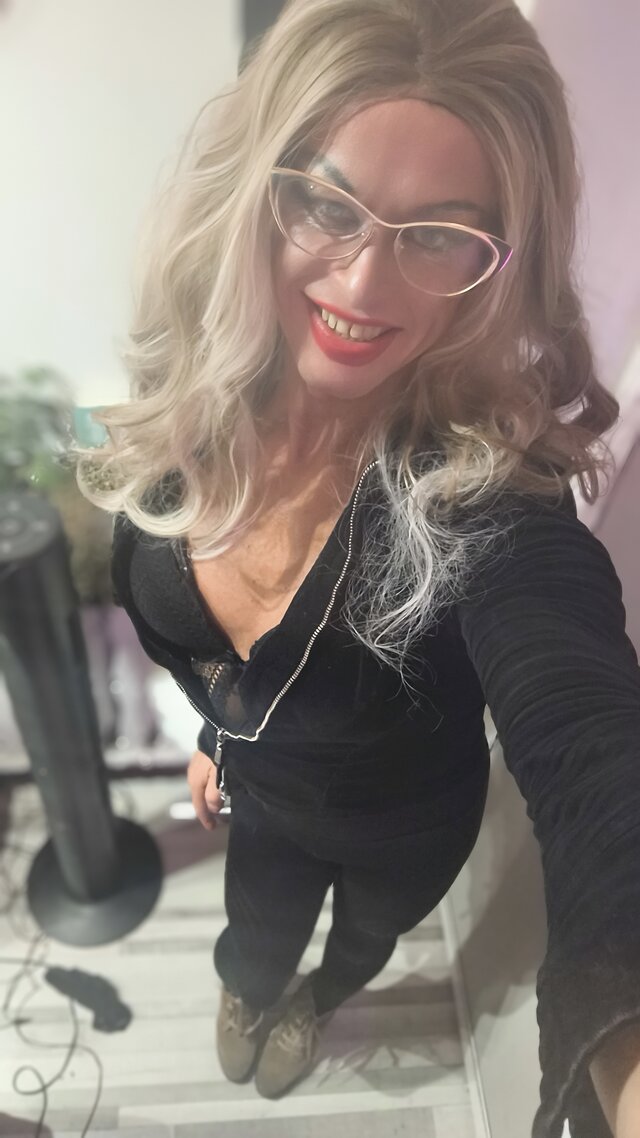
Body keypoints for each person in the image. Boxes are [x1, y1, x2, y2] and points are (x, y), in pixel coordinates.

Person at [74, 1, 640, 1134]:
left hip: (406, 829)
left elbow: (594, 746)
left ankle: (317, 1006)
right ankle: (253, 993)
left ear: (497, 263)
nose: (366, 285)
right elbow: (229, 659)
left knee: (361, 943)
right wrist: (216, 735)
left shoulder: (484, 508)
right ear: (255, 189)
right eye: (327, 205)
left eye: (437, 235)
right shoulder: (188, 421)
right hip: (263, 800)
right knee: (255, 932)